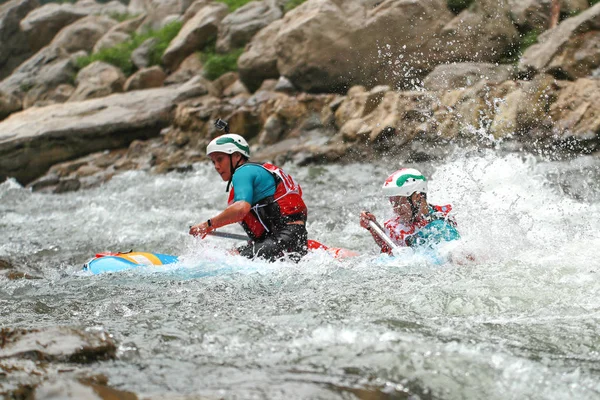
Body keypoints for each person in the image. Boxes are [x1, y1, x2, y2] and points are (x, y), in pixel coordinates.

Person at [189, 120, 308, 262]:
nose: (216, 166)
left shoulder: (243, 172)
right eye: (213, 161)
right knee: (229, 253)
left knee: (224, 259)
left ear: (237, 156)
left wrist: (207, 225)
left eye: (220, 159)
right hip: (295, 239)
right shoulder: (260, 172)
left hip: (282, 238)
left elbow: (240, 209)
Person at [360, 168, 460, 254]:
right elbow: (388, 246)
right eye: (393, 204)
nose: (396, 209)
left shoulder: (441, 225)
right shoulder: (398, 223)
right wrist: (373, 228)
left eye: (400, 203)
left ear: (417, 197)